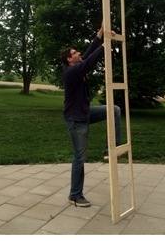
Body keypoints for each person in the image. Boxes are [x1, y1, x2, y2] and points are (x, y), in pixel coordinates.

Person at [60, 23, 121, 207]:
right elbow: (90, 61)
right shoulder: (72, 71)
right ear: (70, 60)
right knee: (79, 157)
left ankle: (112, 149)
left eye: (78, 52)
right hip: (76, 120)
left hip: (85, 113)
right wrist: (106, 44)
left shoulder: (77, 66)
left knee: (114, 109)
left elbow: (89, 50)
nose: (79, 53)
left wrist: (101, 34)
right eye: (75, 53)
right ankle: (75, 195)